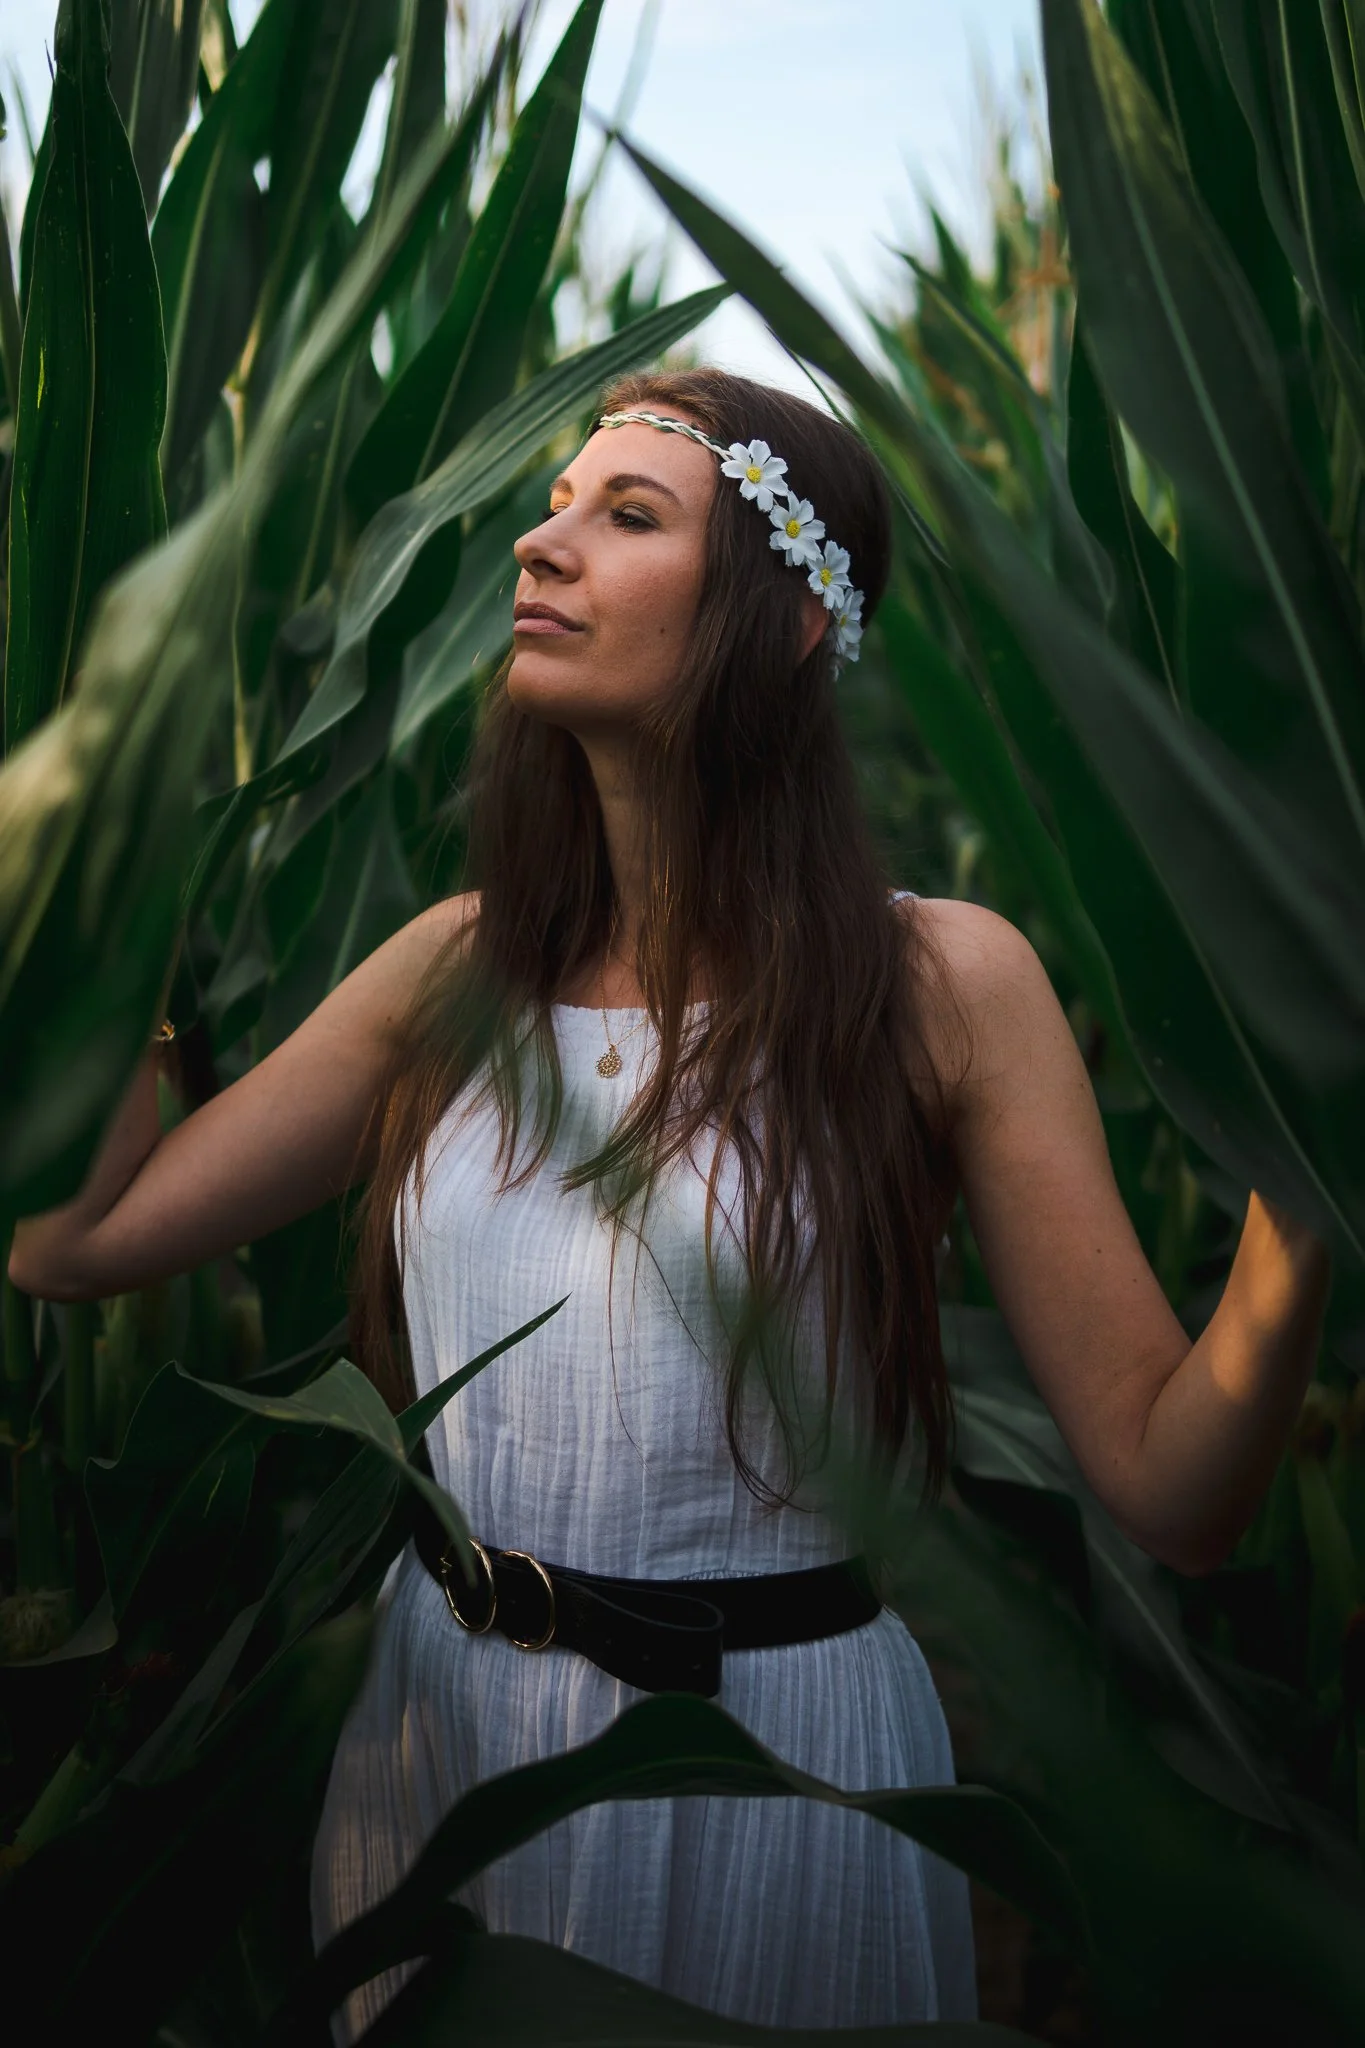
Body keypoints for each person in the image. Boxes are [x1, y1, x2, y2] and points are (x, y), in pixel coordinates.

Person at [8, 368, 1332, 2040]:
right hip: (443, 1760)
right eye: (552, 503)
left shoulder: (942, 987)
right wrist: (108, 879)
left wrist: (1310, 1201)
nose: (539, 542)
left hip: (774, 1777)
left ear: (790, 624)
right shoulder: (454, 971)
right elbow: (71, 1240)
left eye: (626, 515)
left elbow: (1171, 1490)